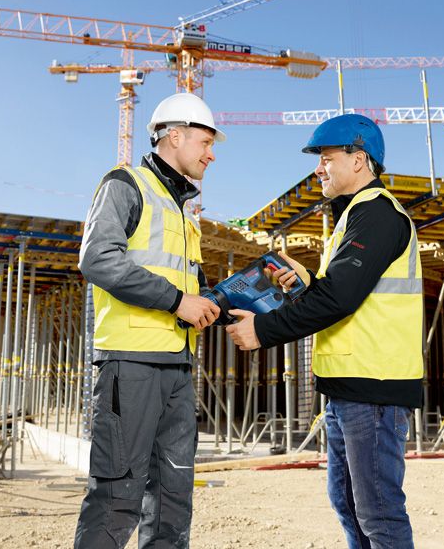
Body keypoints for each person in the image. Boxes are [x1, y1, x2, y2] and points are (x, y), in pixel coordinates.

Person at [227, 114, 423, 549]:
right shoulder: (352, 218)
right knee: (349, 503)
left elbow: (340, 300)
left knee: (379, 514)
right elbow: (339, 292)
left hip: (375, 385)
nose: (319, 168)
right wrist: (305, 283)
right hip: (348, 388)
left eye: (326, 157)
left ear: (359, 160)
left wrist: (263, 329)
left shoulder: (378, 215)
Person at [75, 92, 224, 548]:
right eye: (205, 141)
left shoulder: (182, 210)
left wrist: (237, 296)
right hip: (131, 363)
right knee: (119, 494)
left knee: (173, 498)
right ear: (174, 136)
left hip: (176, 366)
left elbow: (186, 291)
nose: (211, 153)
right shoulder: (126, 185)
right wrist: (178, 301)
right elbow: (98, 259)